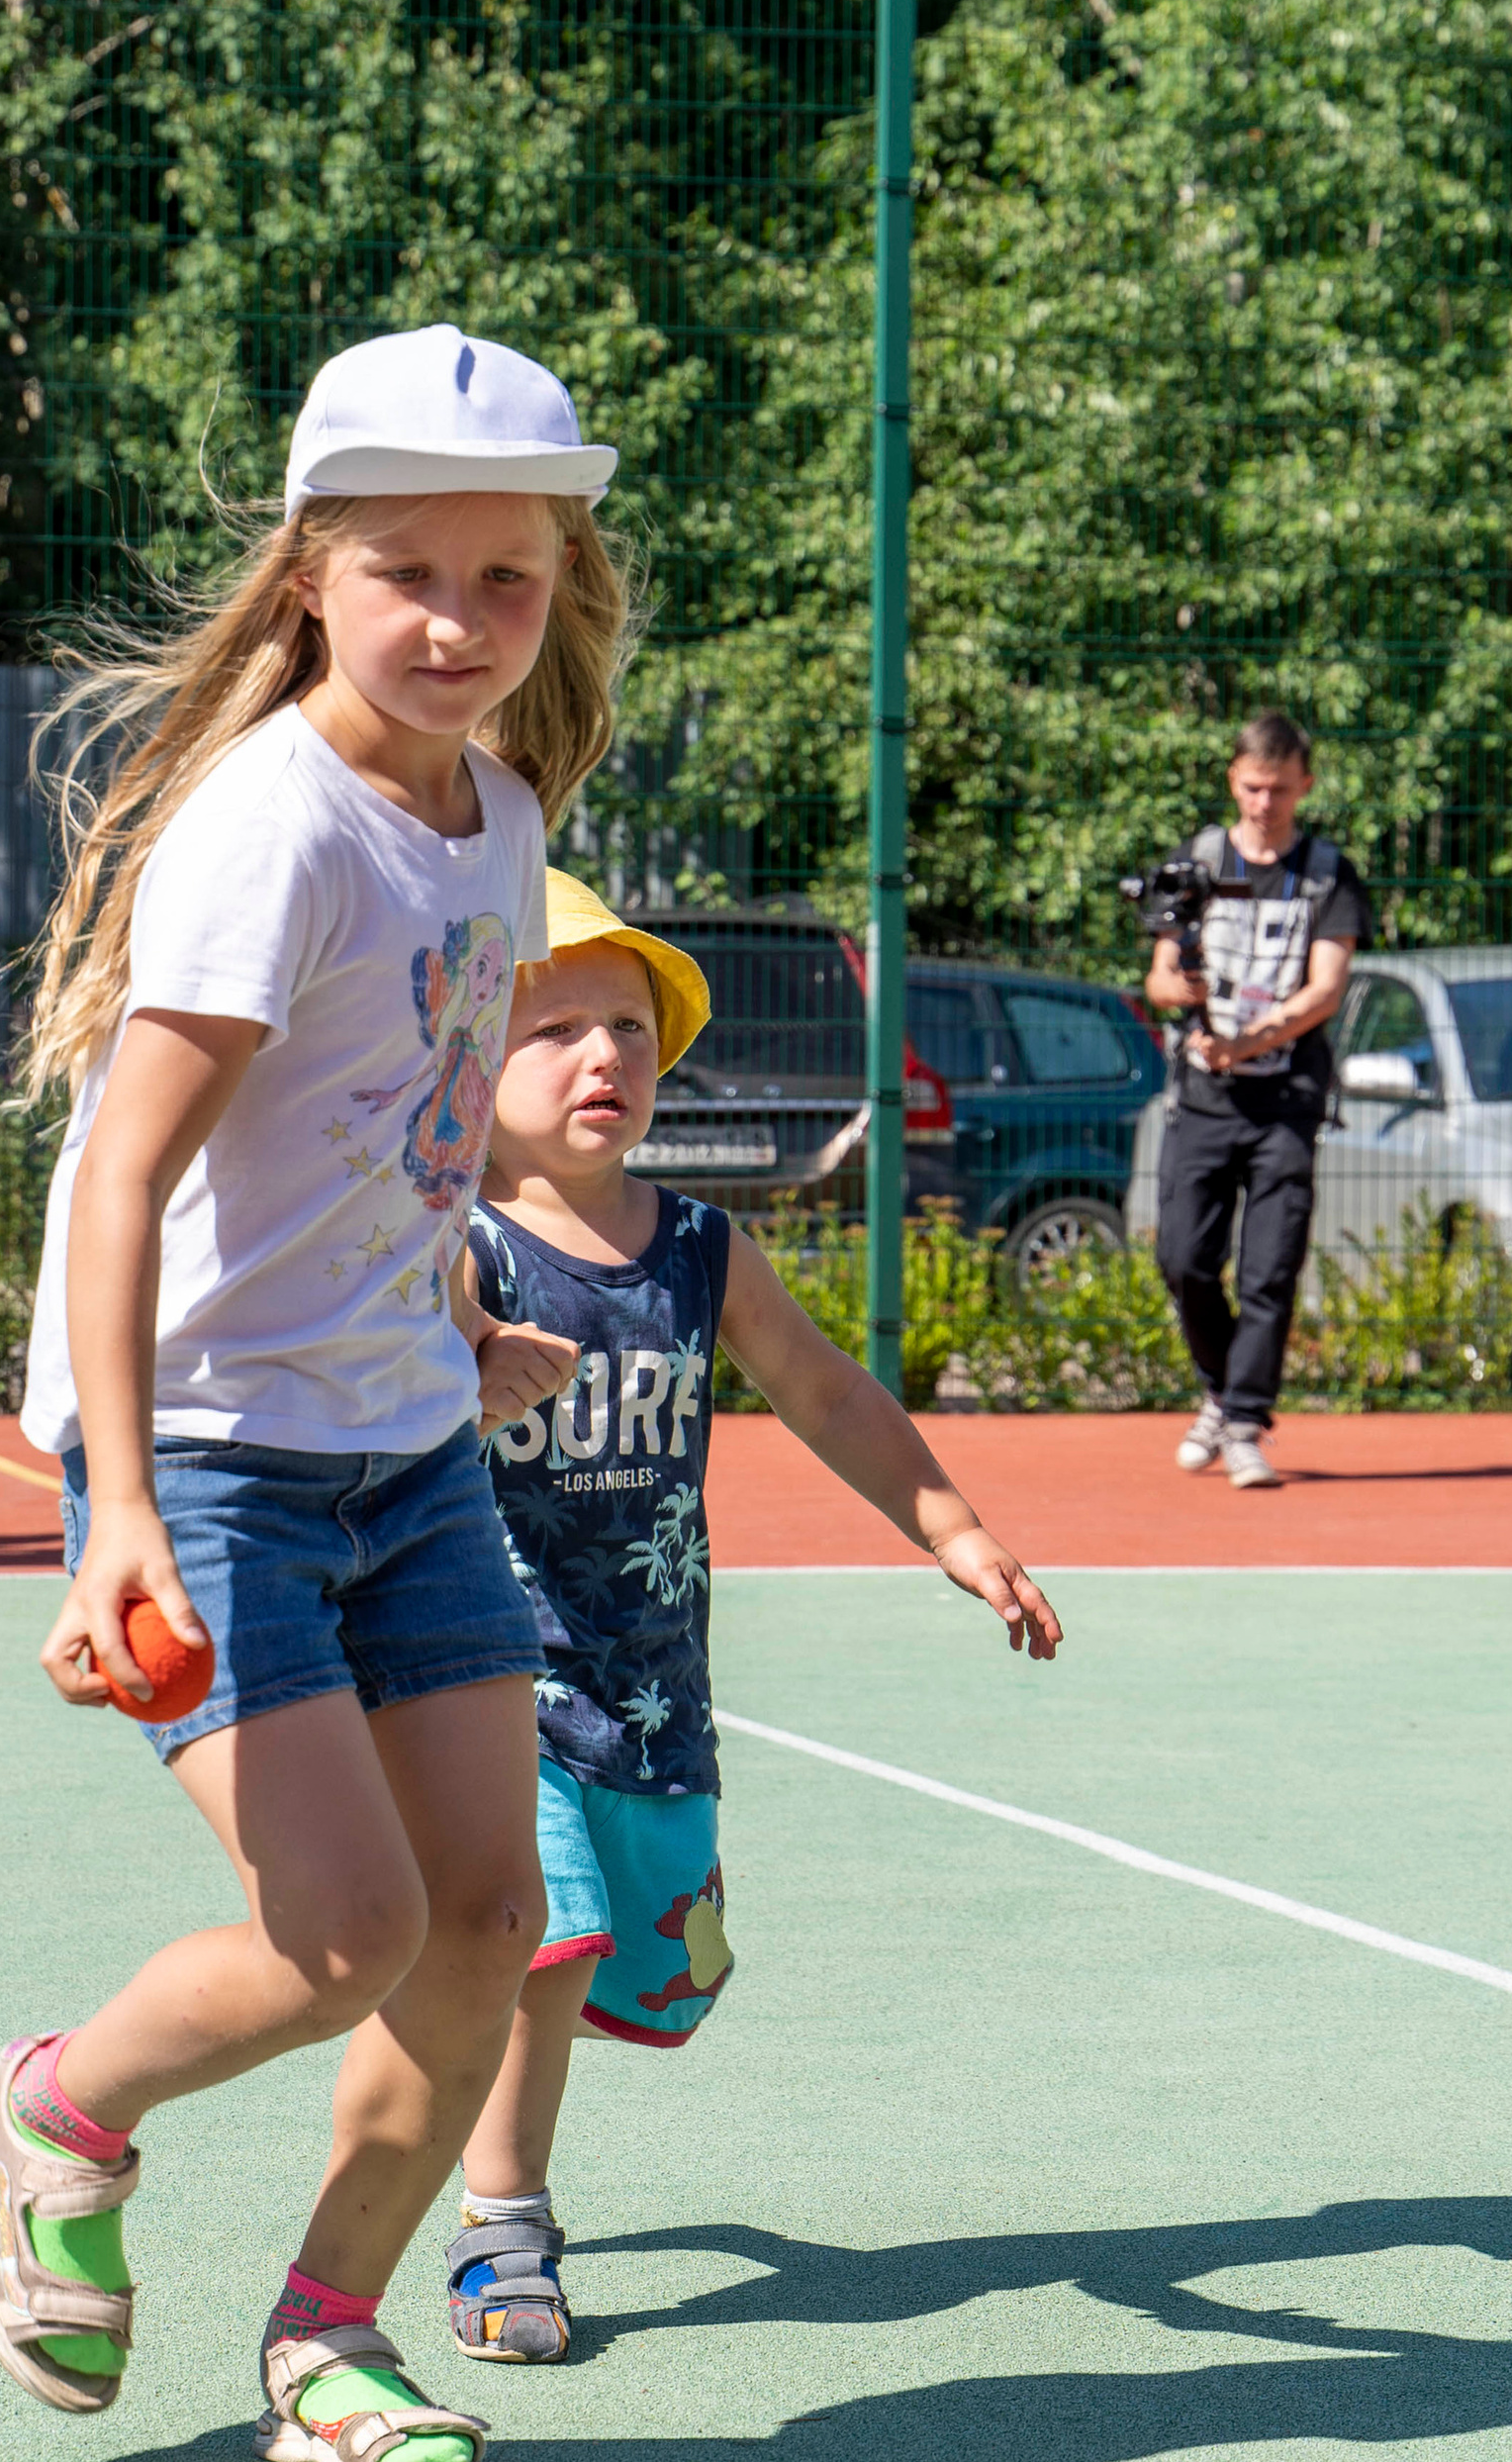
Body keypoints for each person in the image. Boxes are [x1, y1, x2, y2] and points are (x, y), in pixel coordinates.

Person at [0, 324, 629, 2462]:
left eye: (503, 582)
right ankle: (53, 2109)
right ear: (308, 572)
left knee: (473, 1930)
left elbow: (401, 1127)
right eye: (406, 573)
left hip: (403, 1442)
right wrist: (117, 1510)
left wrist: (447, 1312)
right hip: (216, 1455)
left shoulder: (496, 816)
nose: (455, 624)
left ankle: (329, 2340)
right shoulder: (271, 829)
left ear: (557, 585)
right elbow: (127, 1174)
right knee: (333, 1935)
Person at [441, 874, 1064, 2360]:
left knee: (665, 1975)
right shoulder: (459, 1245)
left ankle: (467, 2082)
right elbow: (378, 1359)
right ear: (470, 1068)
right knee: (544, 1945)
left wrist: (955, 1527)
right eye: (559, 1032)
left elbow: (828, 1392)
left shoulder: (700, 1247)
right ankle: (500, 2228)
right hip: (482, 1681)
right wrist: (460, 1347)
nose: (606, 1059)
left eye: (632, 1032)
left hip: (649, 1683)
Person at [1147, 710, 1370, 1490]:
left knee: (1271, 1267)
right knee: (1183, 1258)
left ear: (1304, 785)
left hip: (1286, 1099)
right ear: (1232, 781)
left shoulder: (1327, 874)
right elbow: (1159, 974)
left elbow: (1325, 990)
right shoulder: (1199, 859)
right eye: (1250, 787)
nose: (1263, 804)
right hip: (1204, 1097)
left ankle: (1243, 1422)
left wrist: (1248, 1040)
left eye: (1277, 790)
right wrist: (1183, 994)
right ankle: (1221, 1387)